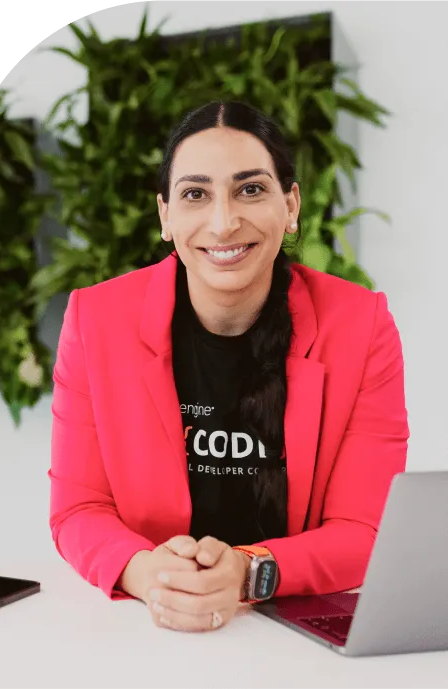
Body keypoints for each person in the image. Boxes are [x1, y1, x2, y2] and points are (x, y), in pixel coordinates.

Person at [48, 100, 409, 634]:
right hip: (144, 635)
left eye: (251, 189)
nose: (223, 221)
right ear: (165, 216)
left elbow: (366, 529)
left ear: (291, 205)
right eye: (195, 194)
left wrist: (249, 571)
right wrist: (149, 574)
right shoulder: (95, 320)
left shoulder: (361, 326)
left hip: (294, 638)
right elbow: (78, 509)